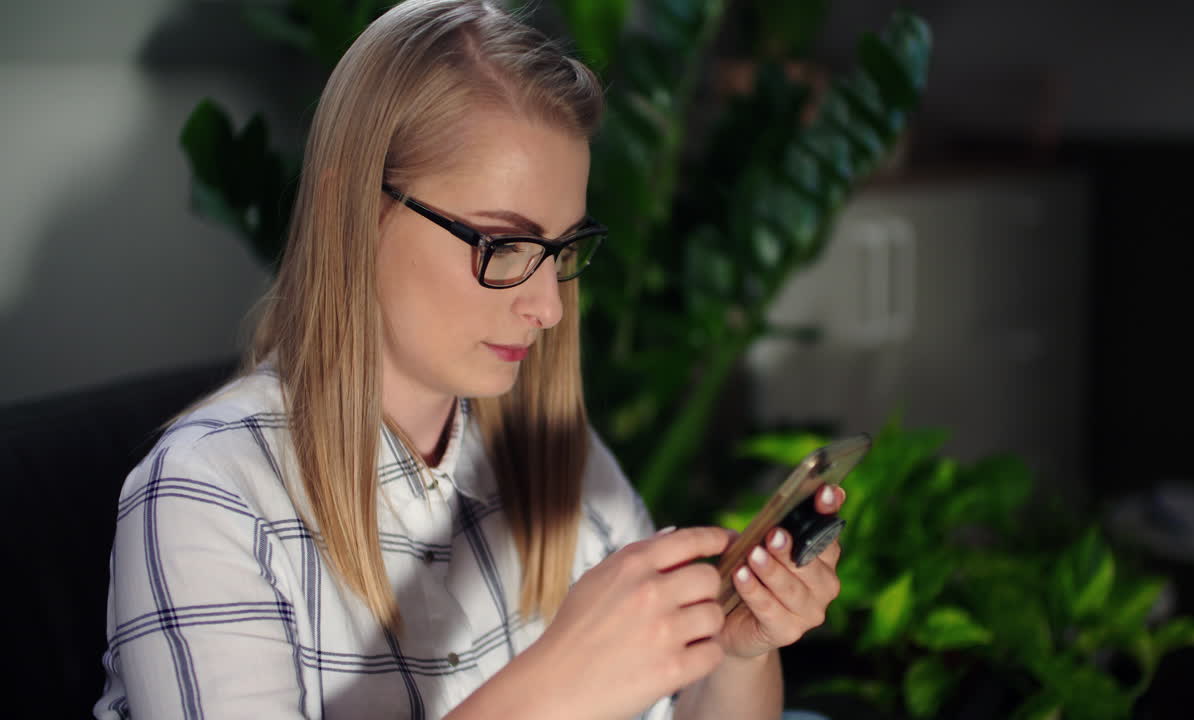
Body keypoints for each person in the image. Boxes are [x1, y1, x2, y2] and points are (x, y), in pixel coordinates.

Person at [95, 1, 846, 718]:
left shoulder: (562, 464)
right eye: (504, 245)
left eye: (560, 251)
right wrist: (552, 692)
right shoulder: (209, 499)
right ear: (355, 212)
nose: (549, 308)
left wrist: (740, 655)